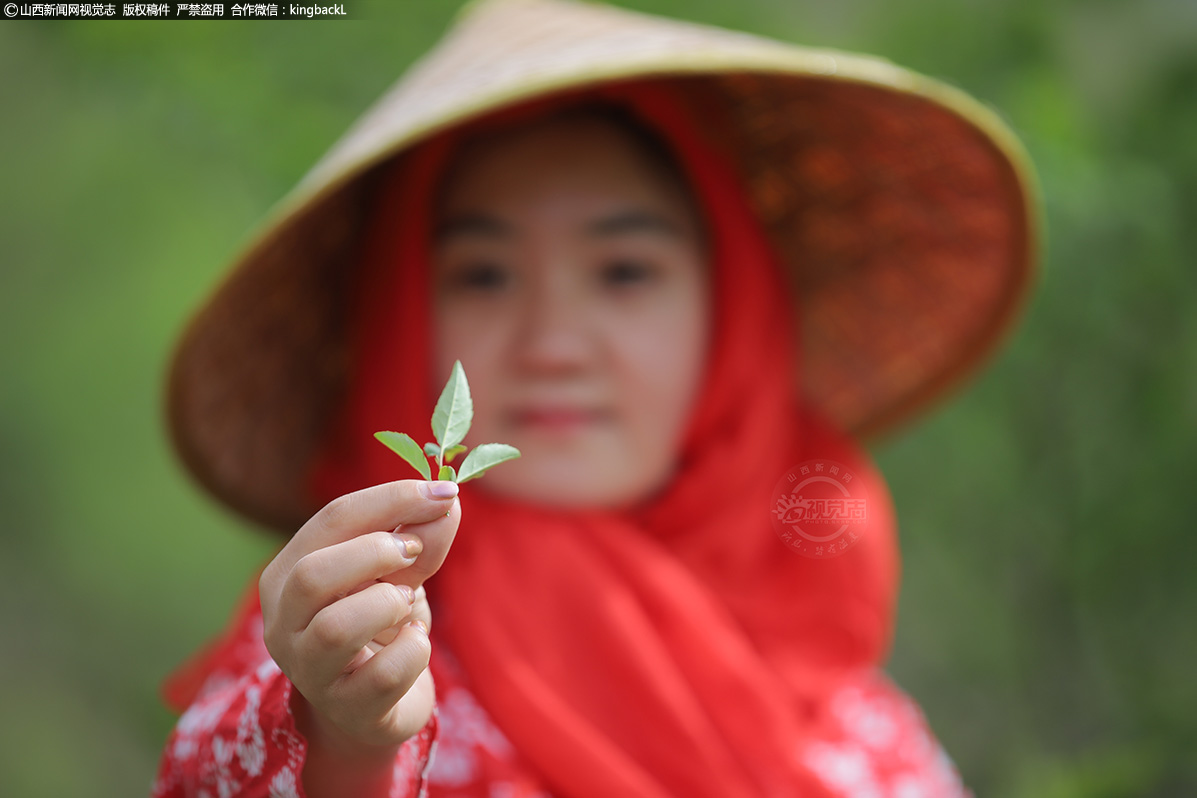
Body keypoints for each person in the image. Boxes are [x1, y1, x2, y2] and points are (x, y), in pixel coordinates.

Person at [151, 0, 1038, 796]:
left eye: (622, 271)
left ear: (730, 316)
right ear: (402, 321)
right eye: (485, 274)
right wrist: (347, 746)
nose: (553, 344)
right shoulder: (342, 657)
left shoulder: (841, 702)